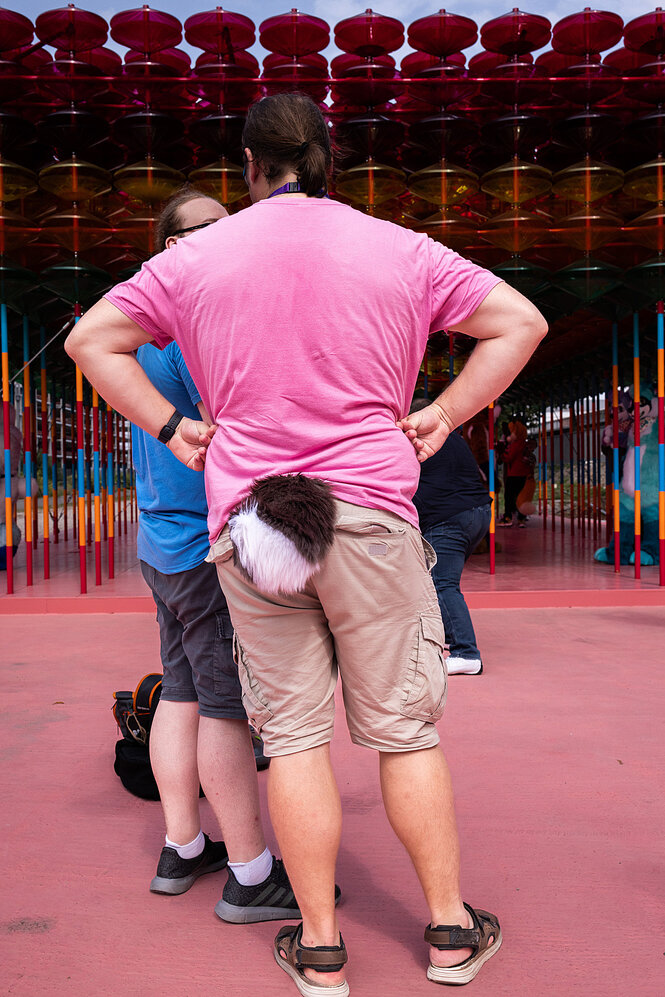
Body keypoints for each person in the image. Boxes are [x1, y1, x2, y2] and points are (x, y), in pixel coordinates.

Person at [65, 93, 547, 994]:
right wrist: (441, 414)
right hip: (369, 513)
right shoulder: (398, 247)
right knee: (403, 734)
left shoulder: (198, 255)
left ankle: (320, 945)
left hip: (253, 525)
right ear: (329, 162)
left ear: (249, 167)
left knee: (290, 739)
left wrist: (173, 427)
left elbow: (93, 340)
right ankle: (448, 933)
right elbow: (520, 322)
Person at [130, 187, 302, 923]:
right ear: (171, 247)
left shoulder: (142, 330)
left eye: (227, 230)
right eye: (201, 232)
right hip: (202, 548)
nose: (222, 242)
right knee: (225, 707)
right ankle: (251, 870)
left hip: (160, 543)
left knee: (180, 691)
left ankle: (183, 844)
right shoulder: (192, 332)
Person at [412, 402, 492, 676]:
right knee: (439, 579)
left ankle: (466, 653)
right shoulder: (454, 438)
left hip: (448, 518)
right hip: (478, 514)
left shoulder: (418, 442)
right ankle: (448, 635)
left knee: (442, 583)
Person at [499, 419, 530, 526]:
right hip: (522, 474)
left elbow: (509, 458)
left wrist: (502, 455)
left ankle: (508, 517)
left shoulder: (516, 444)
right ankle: (521, 518)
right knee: (520, 496)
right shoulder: (523, 444)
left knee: (509, 496)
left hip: (514, 474)